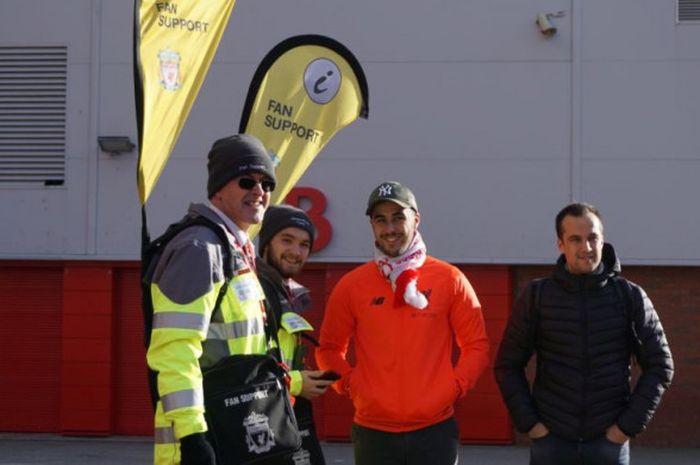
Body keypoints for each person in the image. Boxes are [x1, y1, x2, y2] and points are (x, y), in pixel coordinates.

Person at [316, 181, 490, 465]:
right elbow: (328, 349)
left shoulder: (450, 279)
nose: (390, 229)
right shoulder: (351, 285)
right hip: (373, 430)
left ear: (416, 220)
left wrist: (454, 387)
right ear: (372, 225)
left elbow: (476, 345)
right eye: (380, 220)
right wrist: (351, 385)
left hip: (435, 429)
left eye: (399, 218)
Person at [494, 202, 674, 465]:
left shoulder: (630, 296)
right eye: (575, 239)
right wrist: (532, 425)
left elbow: (661, 365)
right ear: (560, 245)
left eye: (593, 238)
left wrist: (625, 429)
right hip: (551, 444)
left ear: (603, 241)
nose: (586, 248)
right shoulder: (537, 296)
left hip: (608, 446)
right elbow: (507, 365)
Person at [145, 134, 277, 465]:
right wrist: (193, 437)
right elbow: (175, 350)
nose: (259, 191)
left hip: (237, 430)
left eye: (266, 183)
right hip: (206, 441)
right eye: (246, 180)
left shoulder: (234, 249)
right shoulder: (200, 249)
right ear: (218, 189)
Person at [257, 204, 334, 465]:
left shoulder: (286, 291)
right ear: (266, 243)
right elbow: (245, 365)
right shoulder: (254, 290)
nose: (295, 252)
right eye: (286, 240)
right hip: (257, 422)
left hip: (282, 414)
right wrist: (298, 382)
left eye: (304, 244)